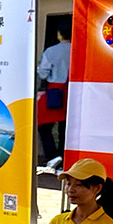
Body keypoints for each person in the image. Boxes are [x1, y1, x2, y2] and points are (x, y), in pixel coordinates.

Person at [37, 20, 71, 166]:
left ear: (59, 34)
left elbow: (43, 74)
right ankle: (65, 157)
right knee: (67, 126)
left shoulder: (51, 51)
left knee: (43, 126)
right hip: (73, 90)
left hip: (55, 90)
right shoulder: (80, 49)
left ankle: (52, 156)